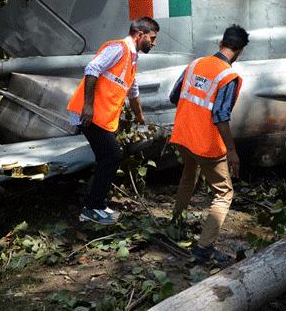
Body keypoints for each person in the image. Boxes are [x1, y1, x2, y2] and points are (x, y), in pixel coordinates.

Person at [67, 17, 159, 225]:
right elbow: (92, 68)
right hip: (90, 115)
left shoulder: (132, 58)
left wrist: (140, 116)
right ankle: (92, 207)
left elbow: (132, 91)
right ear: (139, 34)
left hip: (101, 117)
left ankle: (97, 204)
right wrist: (88, 106)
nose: (153, 43)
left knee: (107, 157)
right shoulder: (119, 48)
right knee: (112, 155)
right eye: (152, 38)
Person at [169, 25, 249, 264]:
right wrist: (232, 151)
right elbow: (221, 116)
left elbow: (175, 96)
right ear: (240, 51)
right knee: (224, 193)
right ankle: (204, 248)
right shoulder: (228, 76)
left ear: (220, 44)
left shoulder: (196, 64)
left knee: (188, 176)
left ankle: (176, 223)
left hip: (183, 136)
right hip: (206, 143)